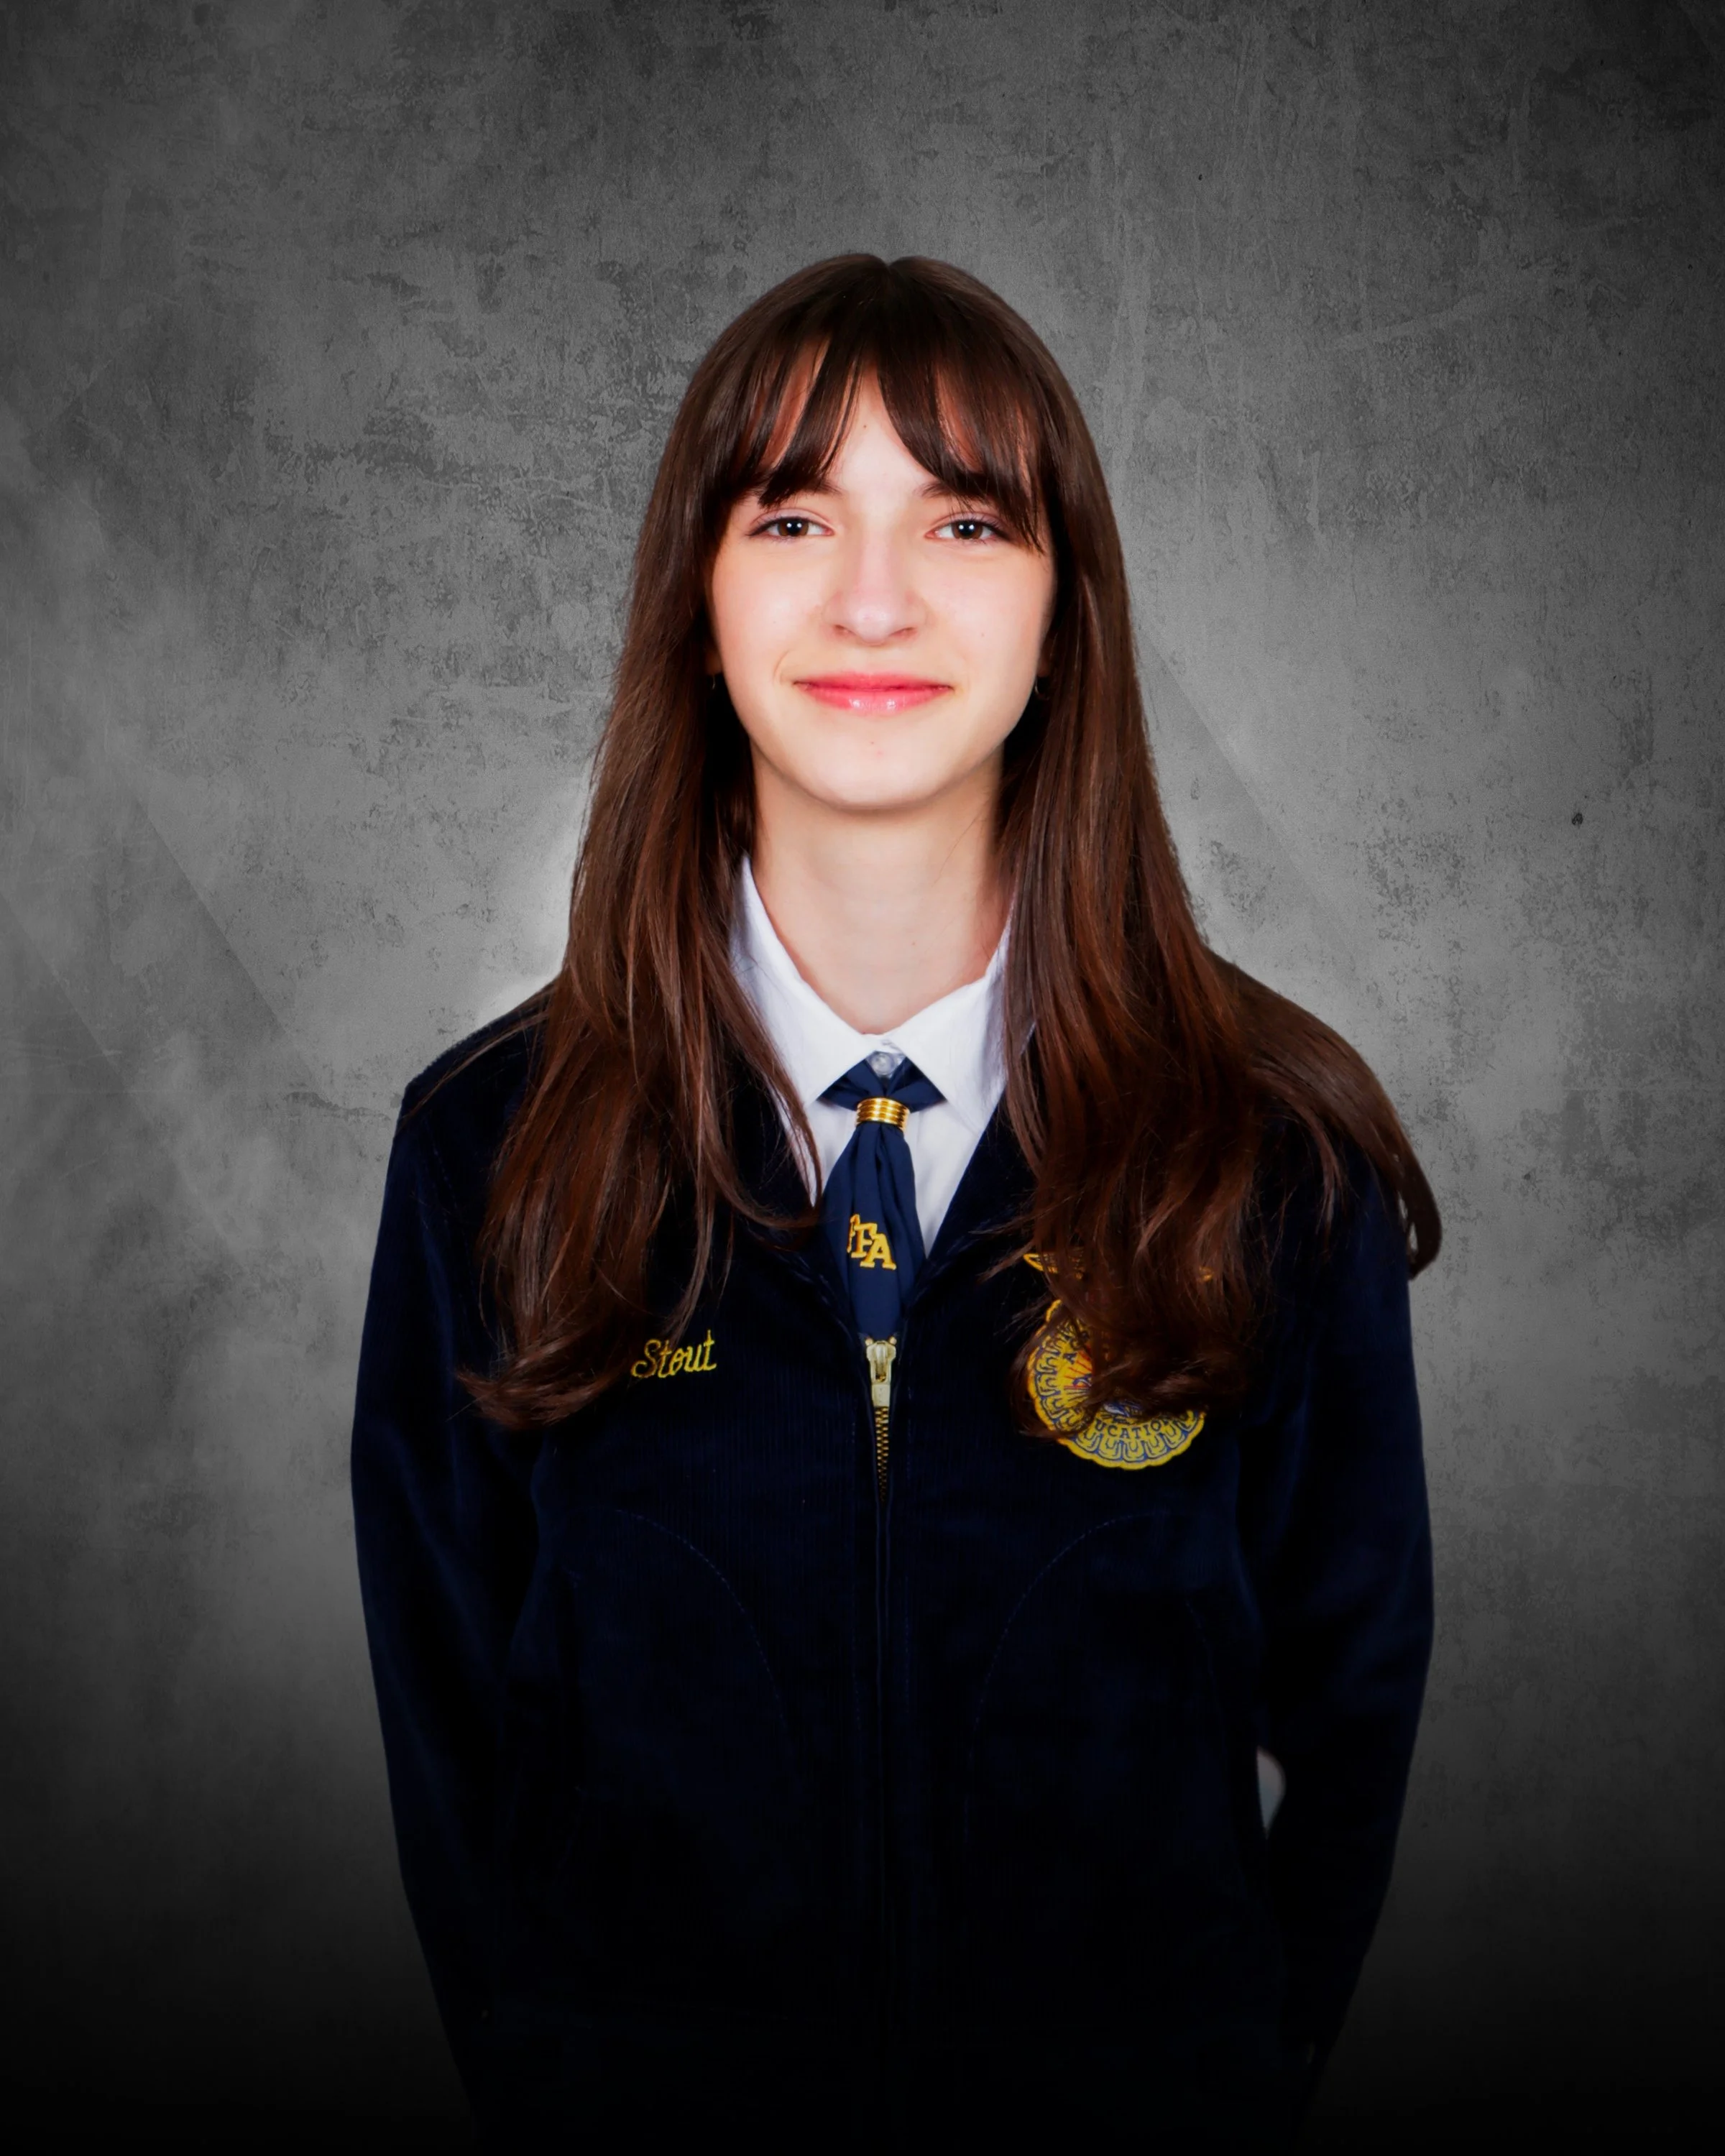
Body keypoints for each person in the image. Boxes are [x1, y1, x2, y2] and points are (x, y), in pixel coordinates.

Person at [351, 254, 1439, 2152]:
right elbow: (456, 1734)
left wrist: (1231, 2070)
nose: (874, 598)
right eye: (792, 515)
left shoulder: (1266, 1151)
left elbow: (1358, 1692)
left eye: (963, 519)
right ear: (699, 605)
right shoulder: (492, 1153)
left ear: (1060, 614)